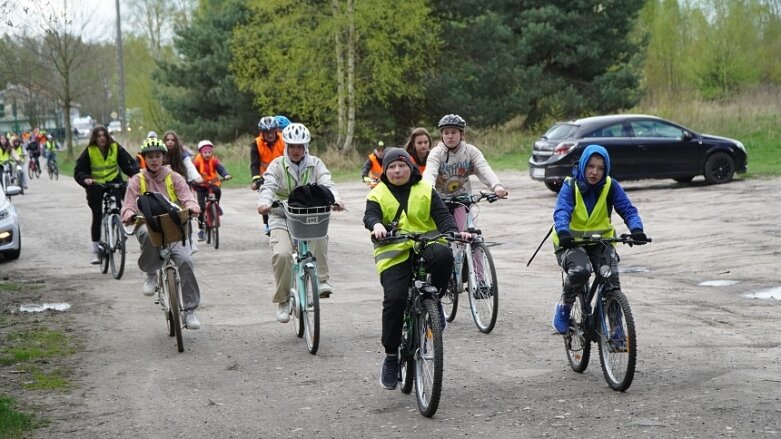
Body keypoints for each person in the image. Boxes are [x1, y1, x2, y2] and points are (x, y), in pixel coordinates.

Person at [363, 147, 470, 390]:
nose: (397, 170)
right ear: (385, 171)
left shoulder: (425, 189)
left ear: (410, 167)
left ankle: (435, 302)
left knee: (444, 256)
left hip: (427, 244)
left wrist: (453, 231)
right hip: (394, 253)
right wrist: (377, 225)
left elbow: (442, 216)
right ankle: (391, 357)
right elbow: (370, 216)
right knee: (395, 299)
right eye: (391, 167)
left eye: (401, 165)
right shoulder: (377, 194)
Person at [550, 144, 647, 333]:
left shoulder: (611, 186)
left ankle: (617, 330)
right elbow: (562, 211)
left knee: (611, 282)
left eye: (601, 168)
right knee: (581, 270)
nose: (595, 172)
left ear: (606, 170)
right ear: (584, 164)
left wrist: (636, 229)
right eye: (591, 166)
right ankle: (565, 305)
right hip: (570, 242)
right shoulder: (570, 185)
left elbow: (627, 209)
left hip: (601, 242)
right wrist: (563, 233)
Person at [257, 122, 345, 321]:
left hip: (308, 216)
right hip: (281, 216)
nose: (296, 151)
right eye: (292, 146)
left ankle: (321, 280)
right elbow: (268, 186)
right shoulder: (277, 165)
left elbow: (327, 182)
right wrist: (264, 203)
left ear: (306, 146)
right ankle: (284, 299)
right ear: (286, 146)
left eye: (300, 146)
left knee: (320, 234)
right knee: (282, 254)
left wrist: (336, 199)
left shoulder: (316, 163)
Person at [120, 137, 203, 329]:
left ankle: (190, 311)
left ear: (163, 157)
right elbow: (128, 206)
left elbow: (188, 198)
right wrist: (130, 215)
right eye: (150, 157)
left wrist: (192, 208)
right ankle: (151, 272)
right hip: (147, 224)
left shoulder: (174, 177)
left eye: (157, 156)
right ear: (144, 159)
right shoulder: (136, 180)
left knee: (186, 262)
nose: (154, 160)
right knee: (148, 235)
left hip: (174, 225)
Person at [422, 114, 508, 232]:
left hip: (462, 200)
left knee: (469, 235)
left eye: (453, 132)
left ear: (462, 134)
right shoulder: (436, 153)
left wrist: (496, 186)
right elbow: (430, 173)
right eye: (446, 133)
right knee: (446, 237)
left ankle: (474, 250)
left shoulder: (470, 151)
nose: (450, 136)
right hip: (441, 202)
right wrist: (428, 190)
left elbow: (483, 168)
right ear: (441, 135)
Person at [74, 126, 139, 264]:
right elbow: (79, 170)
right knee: (97, 215)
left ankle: (120, 230)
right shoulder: (89, 151)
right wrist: (86, 179)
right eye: (99, 136)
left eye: (104, 135)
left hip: (113, 182)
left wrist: (134, 174)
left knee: (121, 205)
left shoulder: (115, 147)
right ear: (95, 138)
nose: (102, 138)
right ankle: (96, 251)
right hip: (96, 186)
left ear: (108, 137)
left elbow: (128, 162)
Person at [251, 116, 287, 235]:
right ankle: (267, 224)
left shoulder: (285, 140)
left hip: (284, 173)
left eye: (272, 131)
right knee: (266, 198)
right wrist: (256, 179)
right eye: (266, 132)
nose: (269, 135)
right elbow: (254, 164)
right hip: (265, 176)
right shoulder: (256, 143)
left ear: (276, 130)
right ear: (262, 133)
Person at [193, 140, 231, 241]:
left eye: (209, 152)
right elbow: (192, 172)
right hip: (201, 186)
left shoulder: (214, 160)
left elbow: (220, 168)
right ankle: (201, 229)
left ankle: (215, 205)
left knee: (217, 191)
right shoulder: (197, 161)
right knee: (200, 207)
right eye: (205, 152)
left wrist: (225, 174)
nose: (207, 154)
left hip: (212, 184)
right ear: (201, 153)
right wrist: (193, 180)